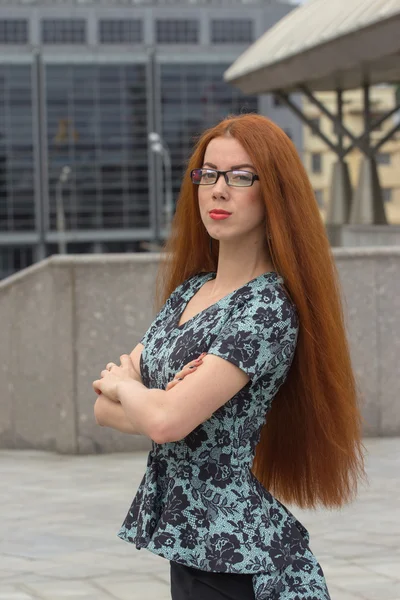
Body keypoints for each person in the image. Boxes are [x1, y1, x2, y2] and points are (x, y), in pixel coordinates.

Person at [92, 113, 366, 600]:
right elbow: (104, 409)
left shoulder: (266, 309)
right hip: (196, 550)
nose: (219, 189)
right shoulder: (191, 292)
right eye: (209, 174)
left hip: (244, 561)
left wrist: (129, 388)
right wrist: (147, 399)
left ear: (275, 192)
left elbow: (164, 423)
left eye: (242, 176)